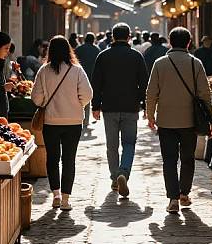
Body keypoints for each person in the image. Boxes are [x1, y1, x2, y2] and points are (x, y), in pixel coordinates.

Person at [146, 26, 212, 213]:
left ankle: (173, 199)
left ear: (170, 41)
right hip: (189, 121)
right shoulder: (196, 63)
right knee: (187, 158)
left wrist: (150, 115)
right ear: (189, 42)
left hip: (166, 121)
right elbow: (205, 94)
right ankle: (184, 193)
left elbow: (151, 93)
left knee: (169, 160)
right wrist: (211, 119)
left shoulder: (160, 63)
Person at [31, 36, 92, 211]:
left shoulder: (43, 70)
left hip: (51, 121)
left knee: (52, 158)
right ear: (68, 50)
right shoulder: (77, 70)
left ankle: (56, 195)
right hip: (73, 121)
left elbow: (36, 98)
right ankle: (66, 199)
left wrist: (46, 103)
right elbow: (87, 94)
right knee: (69, 159)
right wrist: (75, 104)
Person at [91, 23, 149, 198]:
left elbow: (96, 83)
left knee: (112, 145)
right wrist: (144, 105)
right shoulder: (136, 56)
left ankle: (115, 178)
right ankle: (123, 171)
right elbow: (144, 84)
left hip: (109, 107)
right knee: (129, 143)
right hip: (131, 107)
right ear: (129, 36)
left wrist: (95, 106)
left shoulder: (103, 56)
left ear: (113, 37)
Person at [75, 33, 100, 126]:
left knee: (78, 96)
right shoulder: (97, 50)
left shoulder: (79, 49)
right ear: (93, 40)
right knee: (88, 96)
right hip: (92, 76)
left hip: (79, 76)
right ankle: (86, 120)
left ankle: (79, 118)